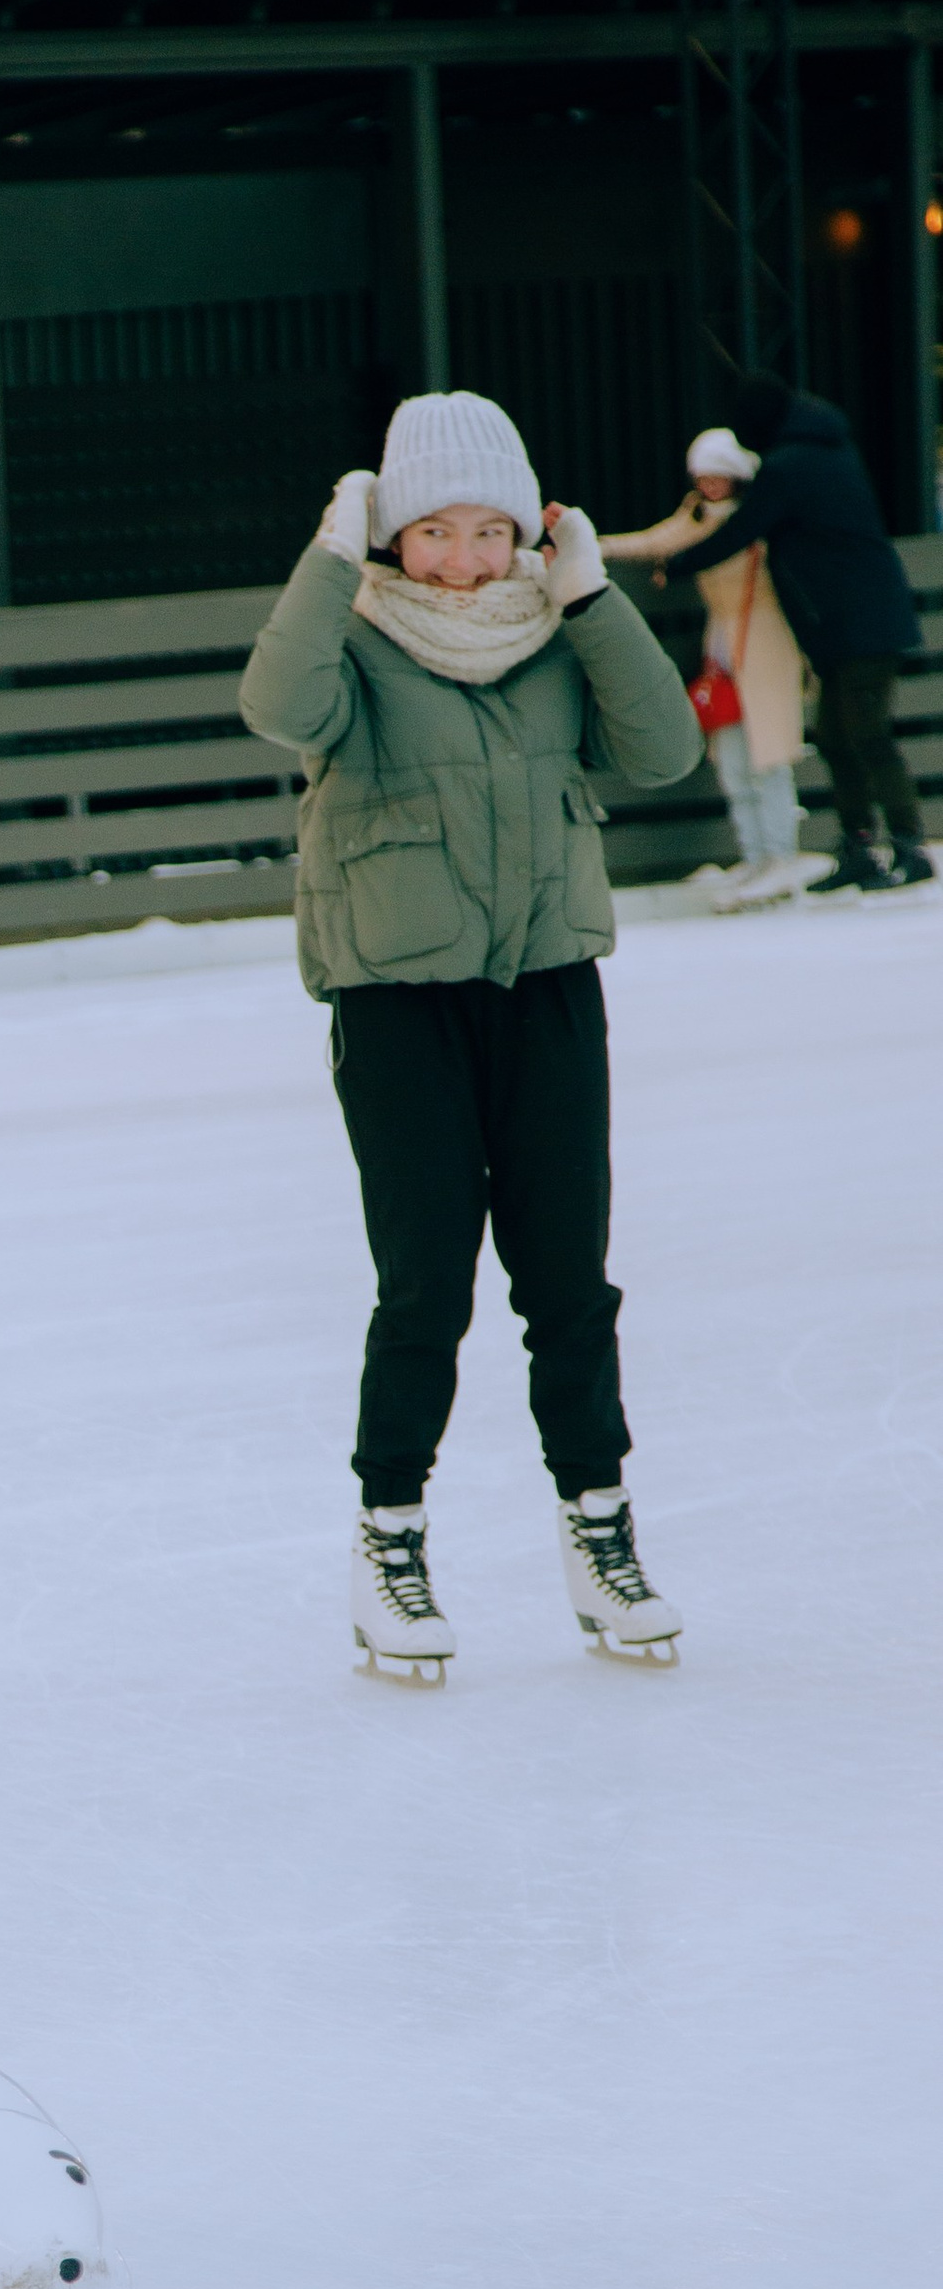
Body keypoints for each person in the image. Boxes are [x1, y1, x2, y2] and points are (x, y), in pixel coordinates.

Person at [240, 388, 704, 1683]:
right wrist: (331, 561)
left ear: (527, 535)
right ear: (392, 534)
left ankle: (599, 1533)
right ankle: (390, 1541)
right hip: (398, 1004)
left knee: (569, 1285)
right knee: (427, 1288)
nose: (461, 556)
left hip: (547, 989)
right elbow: (277, 705)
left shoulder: (561, 640)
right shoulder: (359, 646)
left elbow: (662, 751)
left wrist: (596, 597)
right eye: (431, 529)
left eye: (487, 530)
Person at [681, 372, 931, 896]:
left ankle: (910, 845)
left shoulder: (791, 465)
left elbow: (744, 528)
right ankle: (861, 846)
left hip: (862, 624)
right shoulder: (826, 450)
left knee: (865, 734)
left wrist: (681, 563)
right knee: (839, 737)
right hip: (848, 624)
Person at [603, 426, 812, 910]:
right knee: (735, 761)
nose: (711, 485)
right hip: (722, 644)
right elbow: (658, 540)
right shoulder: (697, 515)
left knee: (770, 757)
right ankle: (756, 856)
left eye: (718, 477)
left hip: (765, 642)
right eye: (704, 477)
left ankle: (780, 855)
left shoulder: (758, 516)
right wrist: (598, 546)